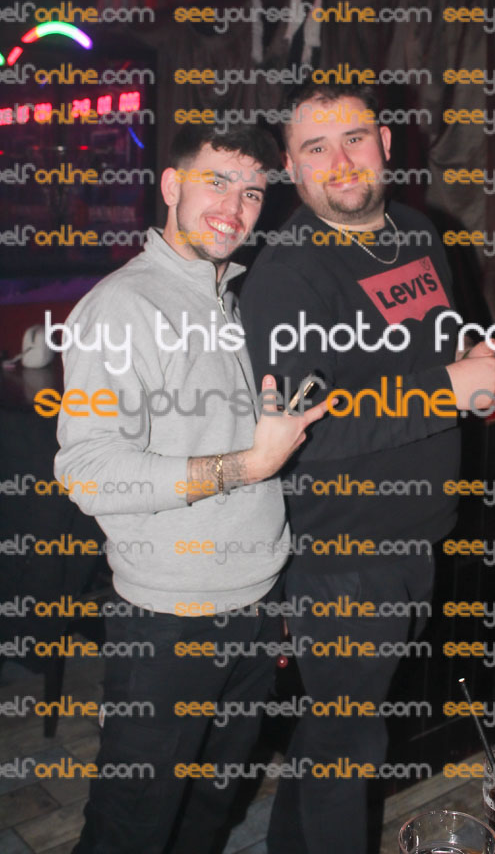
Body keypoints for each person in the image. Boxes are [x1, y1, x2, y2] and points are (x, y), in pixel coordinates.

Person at [240, 81, 495, 854]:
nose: (340, 161)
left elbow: (434, 345)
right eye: (315, 147)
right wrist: (447, 390)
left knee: (332, 735)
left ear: (385, 144)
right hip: (343, 556)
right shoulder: (289, 274)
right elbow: (303, 433)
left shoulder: (418, 233)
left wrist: (474, 357)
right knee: (347, 751)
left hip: (414, 537)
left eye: (354, 138)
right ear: (291, 167)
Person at [53, 124, 329, 854]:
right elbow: (88, 472)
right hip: (170, 620)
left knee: (210, 812)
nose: (234, 209)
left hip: (253, 603)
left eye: (252, 193)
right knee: (132, 826)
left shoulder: (234, 296)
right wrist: (246, 466)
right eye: (216, 182)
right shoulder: (123, 309)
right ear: (172, 186)